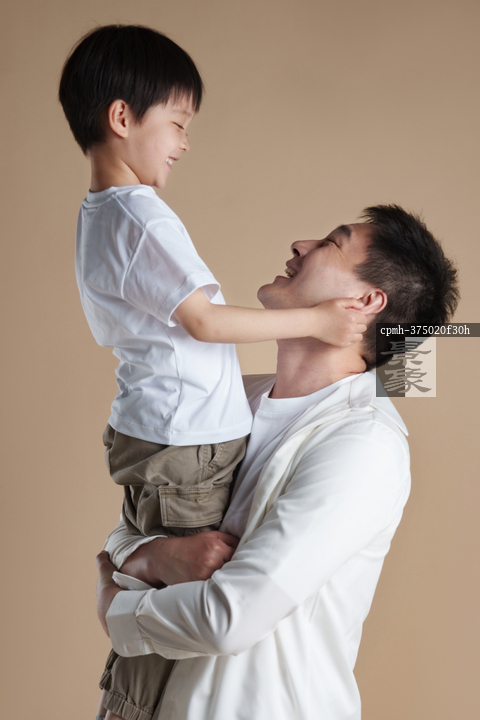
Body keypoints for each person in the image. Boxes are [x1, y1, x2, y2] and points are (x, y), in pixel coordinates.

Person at [58, 24, 366, 720]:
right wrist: (317, 321)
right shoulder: (140, 217)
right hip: (182, 438)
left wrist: (128, 564)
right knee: (175, 599)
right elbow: (203, 321)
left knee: (164, 581)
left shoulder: (102, 215)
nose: (185, 142)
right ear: (121, 117)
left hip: (164, 431)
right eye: (177, 123)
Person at [96, 204, 459, 720]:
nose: (300, 244)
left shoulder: (365, 444)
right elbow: (133, 522)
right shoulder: (229, 398)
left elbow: (229, 619)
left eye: (332, 242)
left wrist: (114, 608)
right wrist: (151, 557)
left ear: (366, 302)